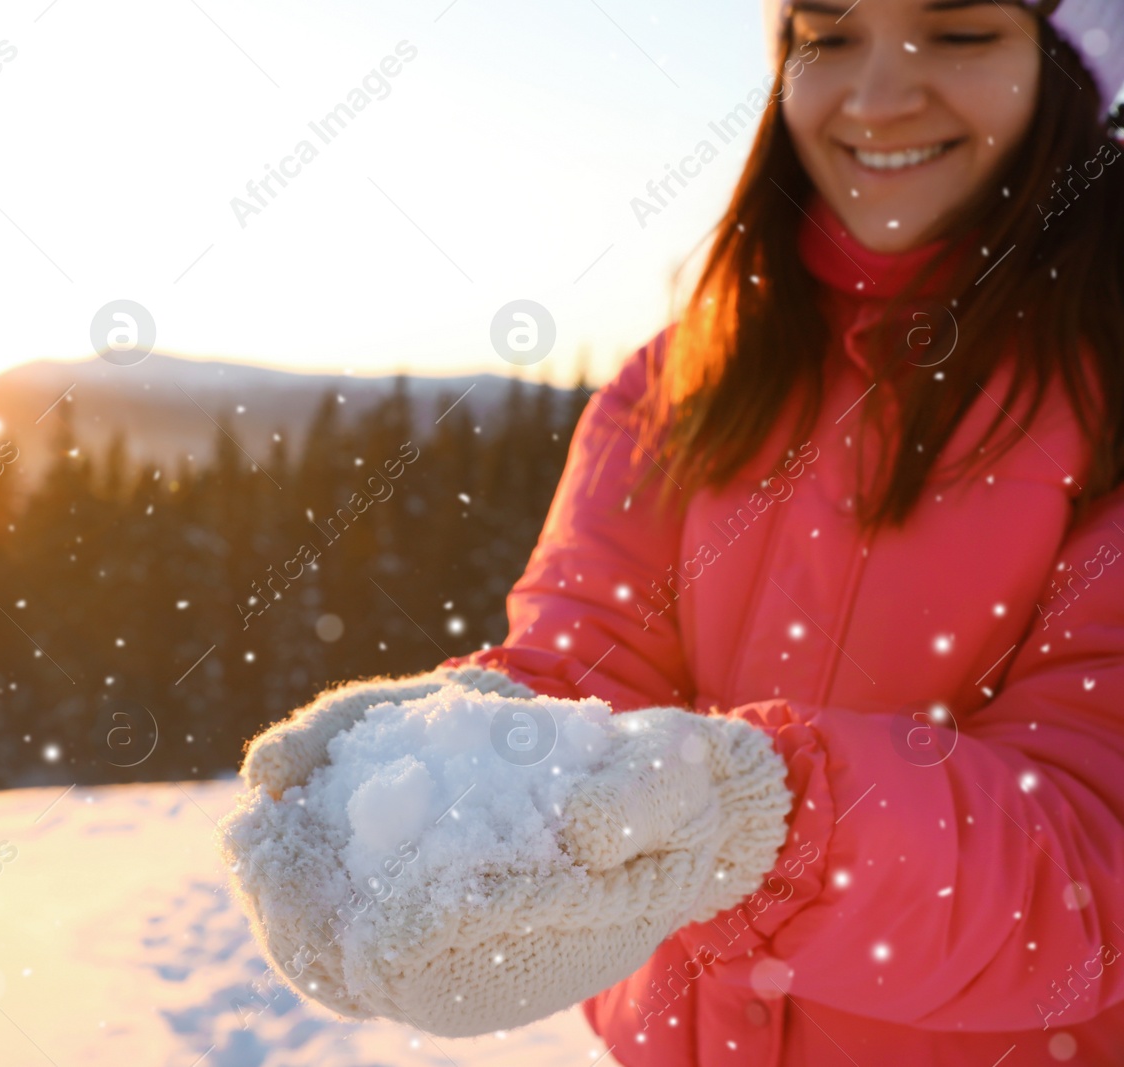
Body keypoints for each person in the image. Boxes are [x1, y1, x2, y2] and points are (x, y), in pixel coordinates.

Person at [230, 0, 1124, 1062]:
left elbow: (1093, 867)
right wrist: (480, 740)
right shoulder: (678, 381)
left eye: (962, 30)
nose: (877, 96)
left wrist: (759, 818)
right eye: (826, 35)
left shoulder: (1105, 390)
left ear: (1073, 64)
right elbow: (587, 657)